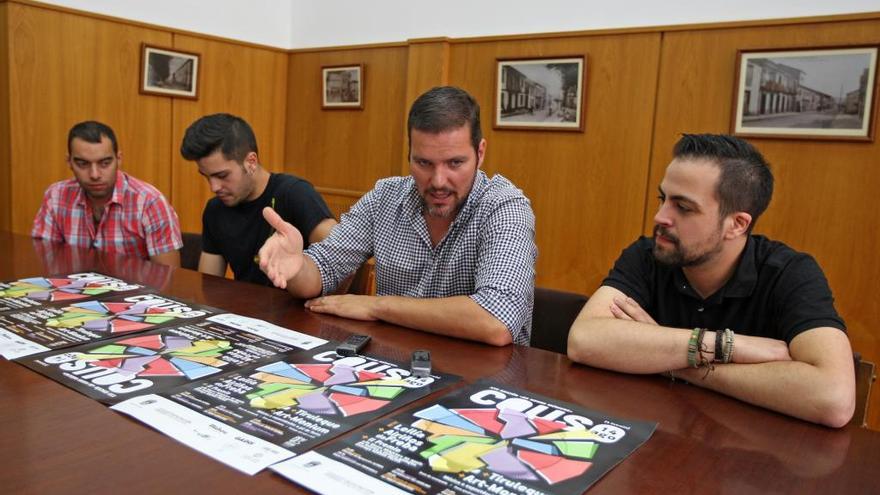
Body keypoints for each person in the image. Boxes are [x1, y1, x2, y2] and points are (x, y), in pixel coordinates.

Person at [567, 134, 854, 427]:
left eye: (684, 207)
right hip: (657, 442)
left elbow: (834, 398)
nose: (660, 217)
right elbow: (584, 340)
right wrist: (727, 346)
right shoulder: (647, 254)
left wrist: (675, 362)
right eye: (662, 199)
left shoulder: (790, 273)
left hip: (752, 460)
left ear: (737, 224)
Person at [258, 86, 537, 346]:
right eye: (424, 162)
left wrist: (378, 306)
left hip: (483, 382)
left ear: (480, 152)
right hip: (395, 367)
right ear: (409, 155)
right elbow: (322, 271)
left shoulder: (504, 206)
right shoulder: (385, 197)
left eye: (455, 163)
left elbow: (497, 320)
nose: (439, 180)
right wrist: (296, 267)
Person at [180, 113, 336, 285]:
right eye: (207, 177)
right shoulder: (215, 209)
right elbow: (209, 285)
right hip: (245, 308)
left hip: (301, 308)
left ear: (251, 162)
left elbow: (343, 251)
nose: (214, 187)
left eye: (222, 175)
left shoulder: (294, 193)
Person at [32, 121, 182, 267]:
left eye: (104, 163)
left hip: (136, 291)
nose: (95, 174)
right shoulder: (56, 197)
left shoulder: (150, 202)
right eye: (83, 164)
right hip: (71, 289)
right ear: (69, 162)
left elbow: (168, 280)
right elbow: (45, 265)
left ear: (119, 159)